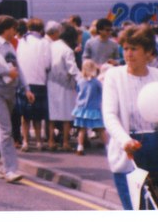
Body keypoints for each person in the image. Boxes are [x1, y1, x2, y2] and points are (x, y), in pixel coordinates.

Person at [102, 24, 158, 210]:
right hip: (128, 148)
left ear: (148, 52)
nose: (128, 53)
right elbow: (110, 115)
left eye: (134, 49)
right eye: (126, 48)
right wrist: (124, 140)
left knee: (155, 207)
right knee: (134, 208)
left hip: (154, 147)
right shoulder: (114, 76)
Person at [0, 15, 34, 183]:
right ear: (6, 29)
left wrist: (26, 88)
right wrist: (6, 73)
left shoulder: (10, 46)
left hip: (9, 92)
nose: (15, 31)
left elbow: (18, 69)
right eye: (13, 28)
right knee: (6, 130)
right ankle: (10, 170)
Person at [16, 17, 51, 151]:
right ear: (41, 29)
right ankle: (38, 142)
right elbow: (48, 63)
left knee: (25, 116)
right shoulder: (44, 43)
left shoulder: (22, 41)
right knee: (37, 116)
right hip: (39, 81)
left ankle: (25, 141)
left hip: (24, 82)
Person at [47, 23, 81, 151]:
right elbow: (73, 69)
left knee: (52, 115)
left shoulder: (51, 46)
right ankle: (66, 142)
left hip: (51, 82)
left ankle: (51, 141)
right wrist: (83, 80)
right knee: (67, 115)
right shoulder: (67, 50)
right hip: (65, 84)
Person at [73, 59, 106, 154]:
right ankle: (108, 146)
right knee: (101, 129)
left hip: (82, 108)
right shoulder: (96, 82)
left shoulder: (80, 81)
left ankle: (80, 147)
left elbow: (78, 90)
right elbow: (102, 92)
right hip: (94, 108)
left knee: (82, 129)